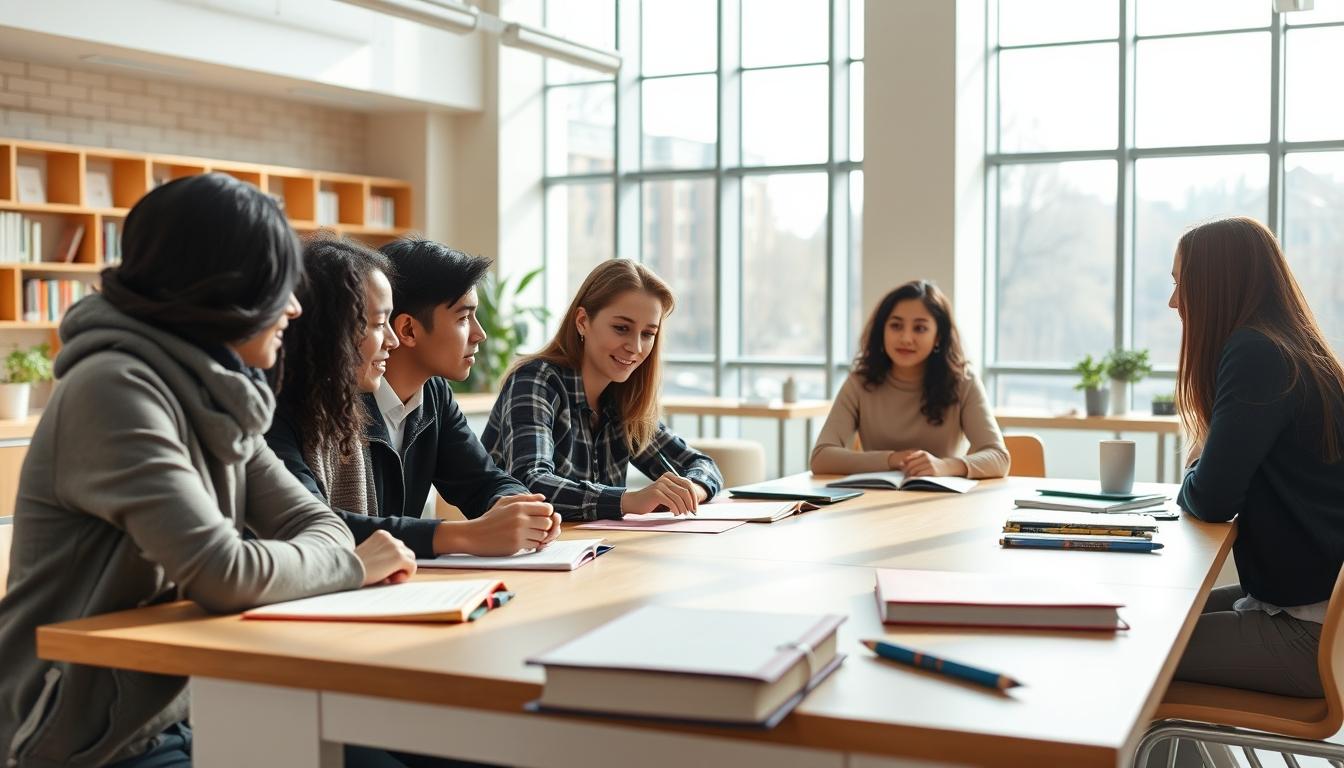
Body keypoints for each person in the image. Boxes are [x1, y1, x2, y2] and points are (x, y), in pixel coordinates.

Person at [0, 174, 414, 768]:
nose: (294, 310)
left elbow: (313, 519)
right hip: (84, 739)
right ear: (226, 290)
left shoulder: (221, 393)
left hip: (190, 705)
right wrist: (351, 564)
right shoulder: (114, 391)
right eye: (280, 289)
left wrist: (338, 552)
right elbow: (225, 572)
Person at [268, 236, 558, 558]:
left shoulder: (432, 395)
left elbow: (483, 480)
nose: (480, 333)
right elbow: (314, 525)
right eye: (463, 318)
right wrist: (460, 536)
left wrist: (523, 511)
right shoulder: (316, 405)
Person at [1168, 216, 1344, 699]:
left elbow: (1211, 498)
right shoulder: (1292, 348)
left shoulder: (1255, 353)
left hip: (1308, 633)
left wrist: (1191, 474)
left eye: (1182, 283)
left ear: (1215, 284)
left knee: (1134, 649)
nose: (1175, 301)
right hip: (1317, 615)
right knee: (1152, 612)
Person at [482, 259, 723, 522]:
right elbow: (531, 483)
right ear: (583, 321)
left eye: (647, 334)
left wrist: (690, 490)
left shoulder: (623, 399)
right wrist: (628, 500)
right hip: (517, 556)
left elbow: (702, 466)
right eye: (621, 328)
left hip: (594, 551)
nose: (635, 347)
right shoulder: (535, 381)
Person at [810, 280, 1009, 479]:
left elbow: (999, 458)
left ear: (938, 336)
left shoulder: (963, 381)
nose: (906, 338)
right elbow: (821, 457)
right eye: (896, 326)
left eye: (920, 328)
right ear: (882, 331)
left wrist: (944, 466)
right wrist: (892, 459)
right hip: (874, 499)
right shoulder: (860, 382)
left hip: (944, 501)